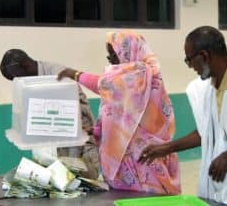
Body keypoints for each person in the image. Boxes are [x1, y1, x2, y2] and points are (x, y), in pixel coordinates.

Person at [57, 30, 181, 194]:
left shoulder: (142, 72)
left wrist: (75, 74)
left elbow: (105, 85)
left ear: (128, 51)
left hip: (143, 159)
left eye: (113, 54)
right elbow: (120, 115)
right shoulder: (128, 75)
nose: (111, 60)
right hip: (126, 162)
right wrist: (96, 131)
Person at [139, 26, 227, 204]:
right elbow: (205, 133)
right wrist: (166, 148)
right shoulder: (206, 88)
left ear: (204, 56)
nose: (189, 66)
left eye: (189, 60)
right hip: (218, 187)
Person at [0, 49, 99, 179]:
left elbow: (77, 118)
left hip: (78, 146)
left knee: (82, 185)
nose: (17, 81)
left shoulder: (59, 76)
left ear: (26, 66)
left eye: (17, 77)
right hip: (50, 148)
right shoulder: (29, 84)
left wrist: (72, 162)